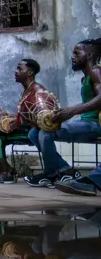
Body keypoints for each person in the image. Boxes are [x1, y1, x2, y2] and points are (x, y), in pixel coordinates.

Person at [31, 39, 101, 190]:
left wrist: (72, 111)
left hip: (94, 125)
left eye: (77, 53)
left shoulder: (96, 72)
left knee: (46, 133)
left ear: (89, 55)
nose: (72, 57)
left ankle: (51, 175)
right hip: (84, 123)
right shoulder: (85, 78)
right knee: (34, 132)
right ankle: (65, 170)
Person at [0, 59, 46, 184]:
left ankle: (6, 173)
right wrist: (10, 117)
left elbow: (41, 115)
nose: (16, 71)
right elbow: (26, 114)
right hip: (25, 127)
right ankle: (8, 169)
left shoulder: (37, 90)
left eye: (20, 68)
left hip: (33, 131)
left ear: (30, 72)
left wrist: (18, 121)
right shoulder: (26, 91)